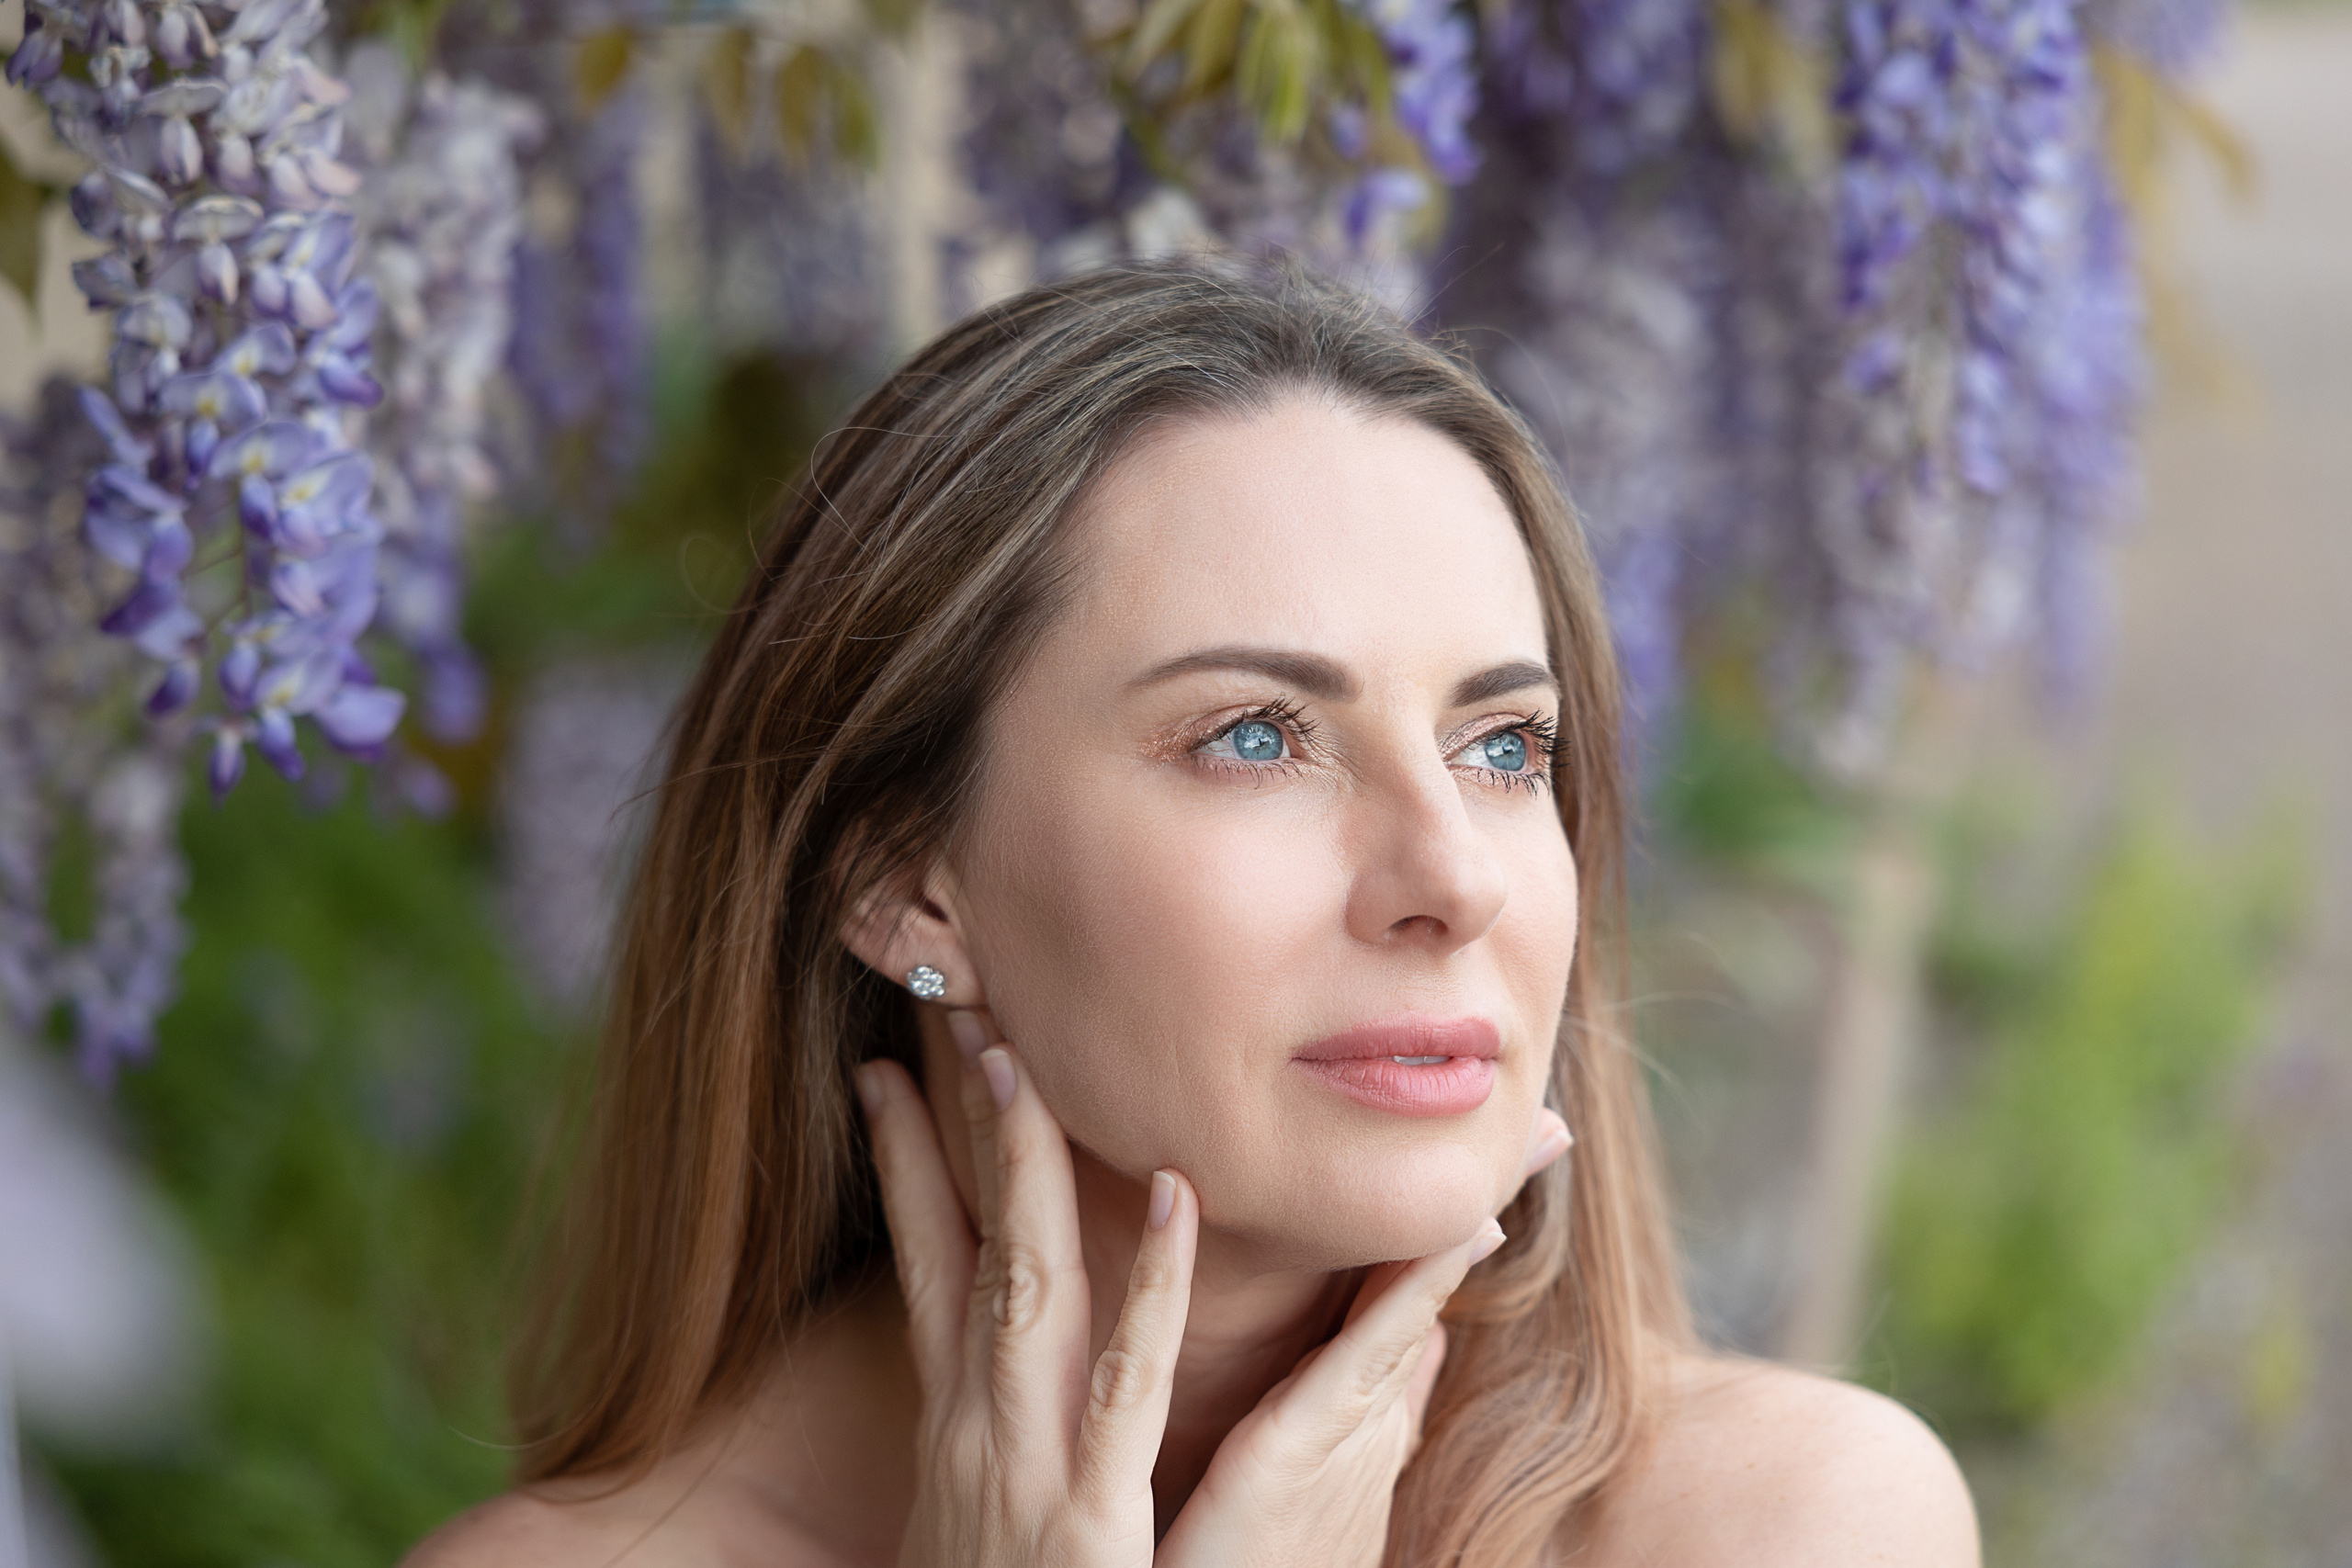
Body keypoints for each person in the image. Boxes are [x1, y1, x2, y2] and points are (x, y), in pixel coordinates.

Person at [409, 264, 1977, 1566]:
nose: (1456, 879)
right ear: (902, 875)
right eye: (1255, 737)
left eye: (1504, 748)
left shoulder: (1786, 1524)